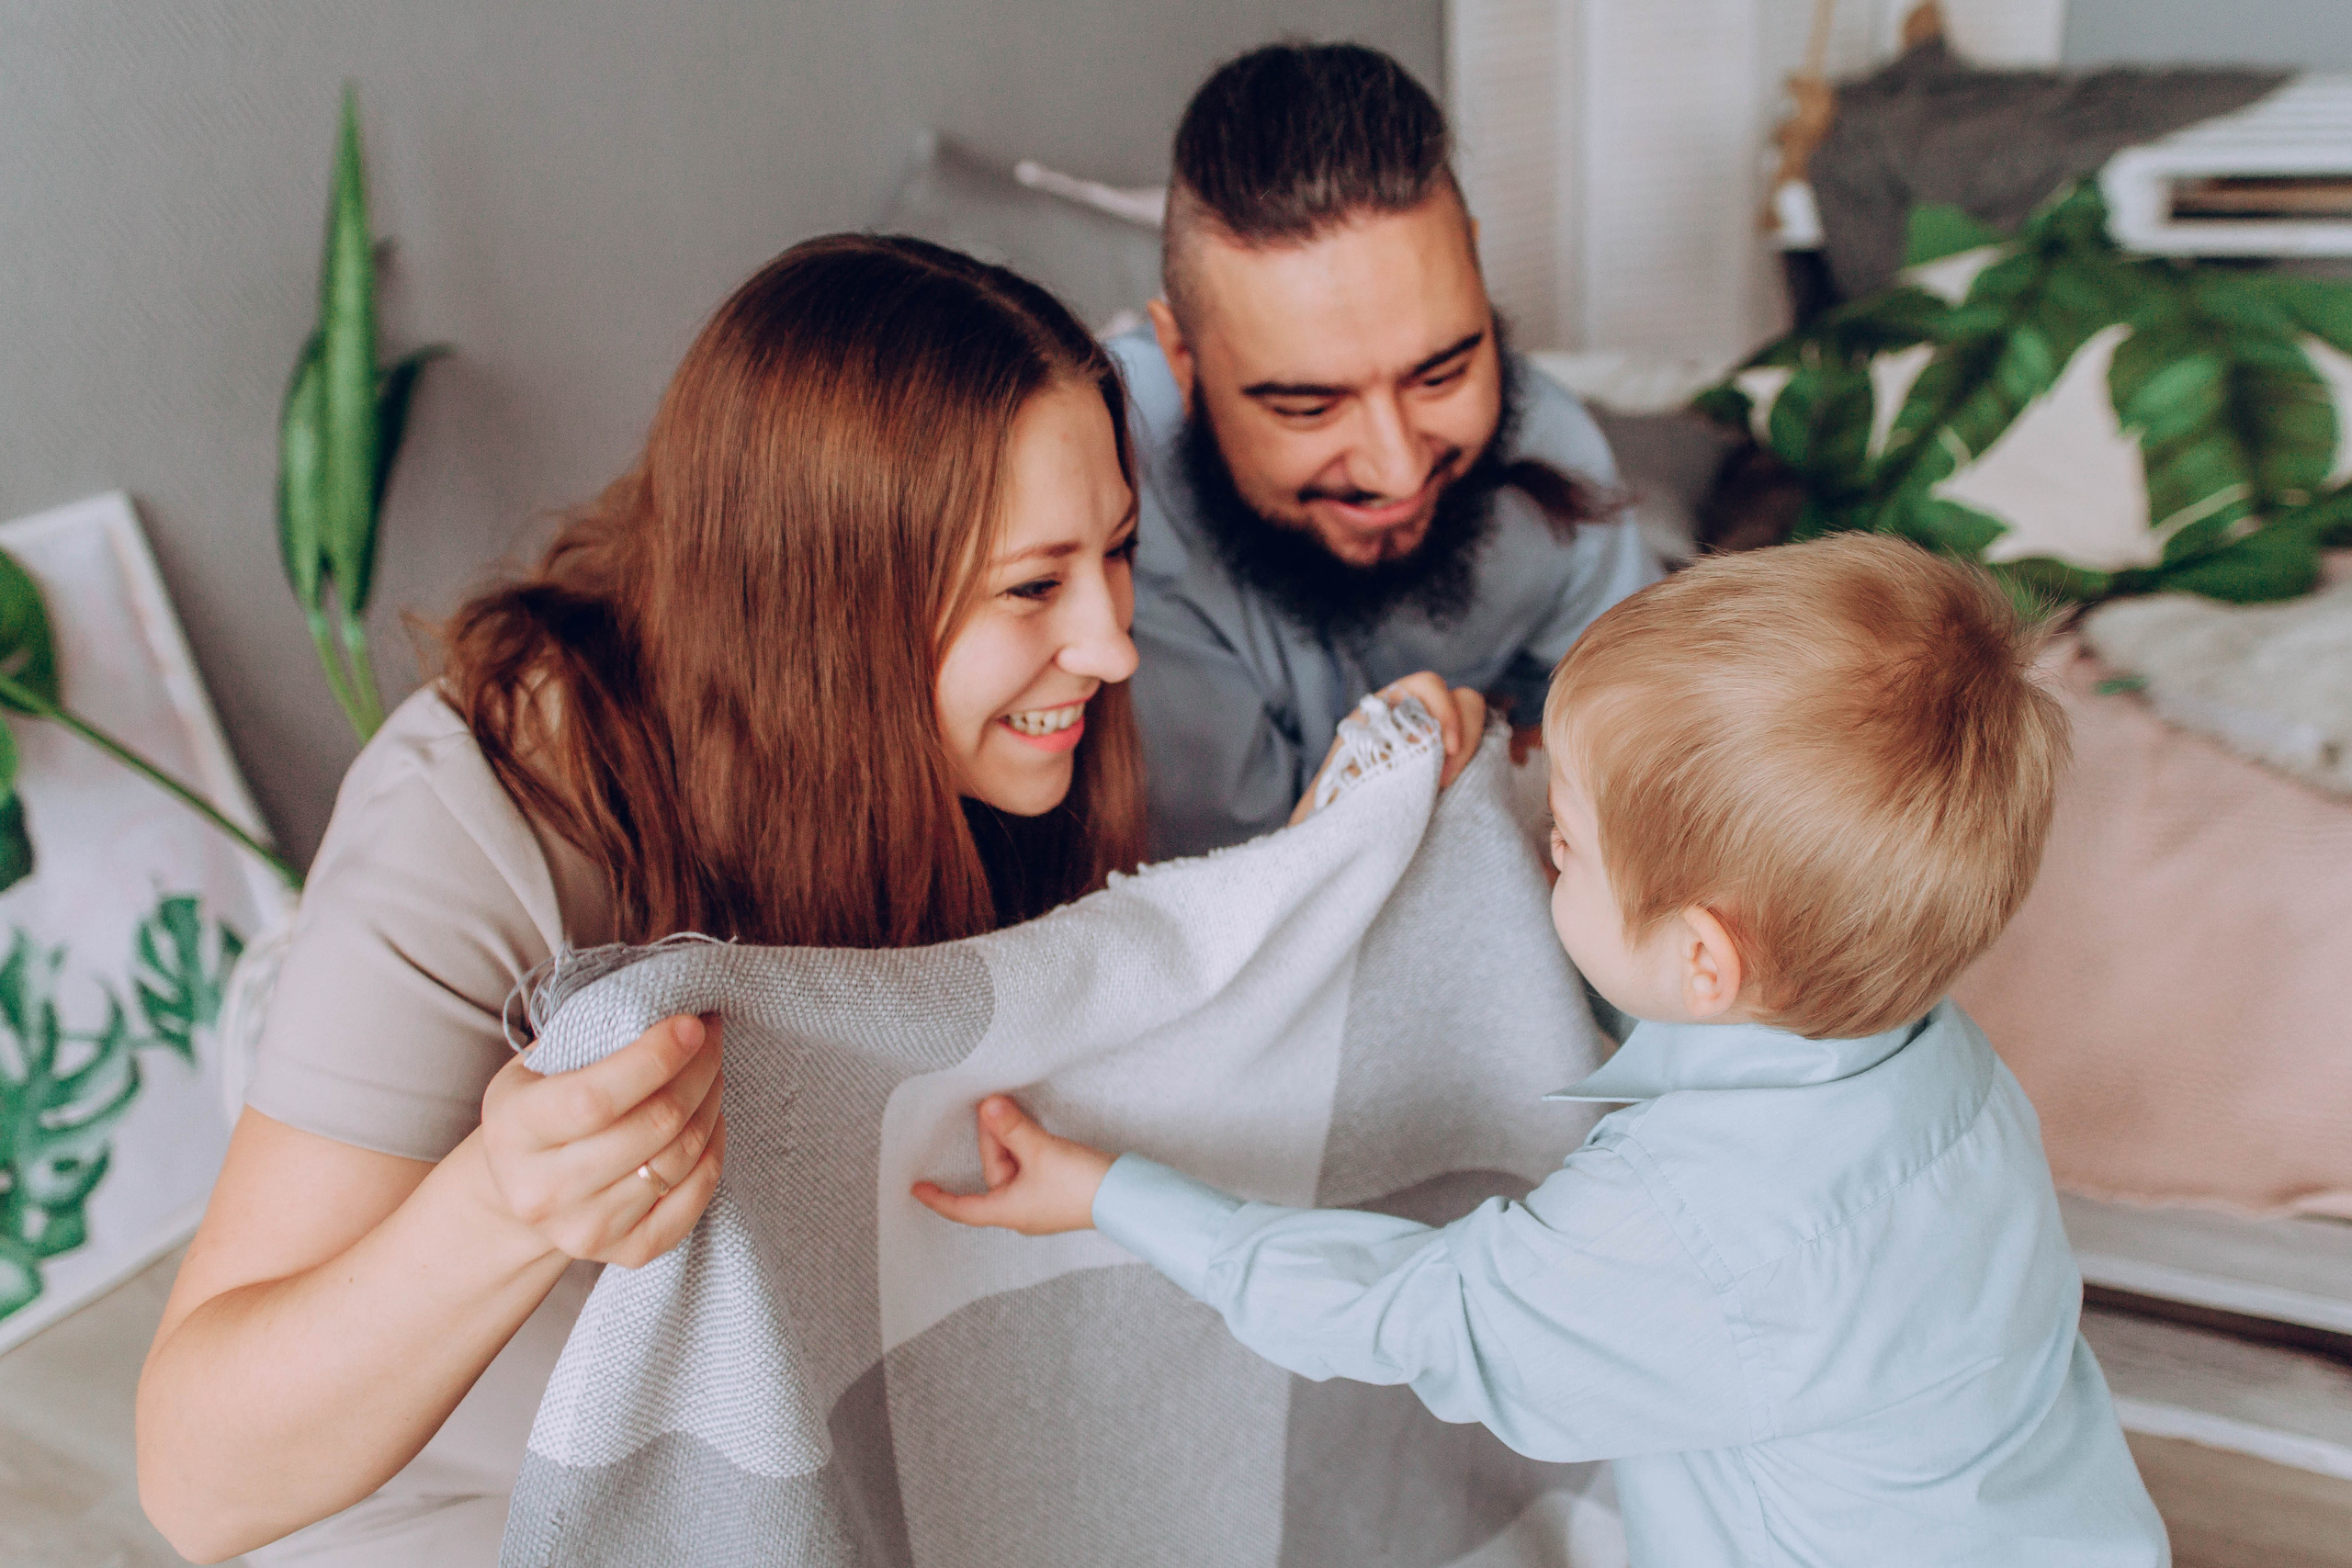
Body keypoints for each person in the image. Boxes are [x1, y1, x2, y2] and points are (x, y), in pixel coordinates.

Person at [136, 232, 1274, 1566]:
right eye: (1032, 586)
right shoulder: (482, 808)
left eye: (1119, 552)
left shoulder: (1040, 734)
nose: (1111, 641)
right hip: (482, 1482)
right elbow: (195, 1475)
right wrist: (505, 1204)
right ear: (827, 605)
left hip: (819, 1420)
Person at [915, 536, 2171, 1566]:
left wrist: (1115, 1191)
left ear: (1704, 961)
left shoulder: (1689, 1224)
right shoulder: (1940, 1062)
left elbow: (1411, 1311)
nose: (1539, 843)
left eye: (1561, 839)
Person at [1117, 41, 1660, 857]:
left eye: (1441, 375)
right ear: (1182, 360)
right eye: (1309, 406)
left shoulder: (1553, 444)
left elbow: (1653, 742)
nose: (1397, 469)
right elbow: (1227, 906)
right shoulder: (1101, 517)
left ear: (1475, 270)